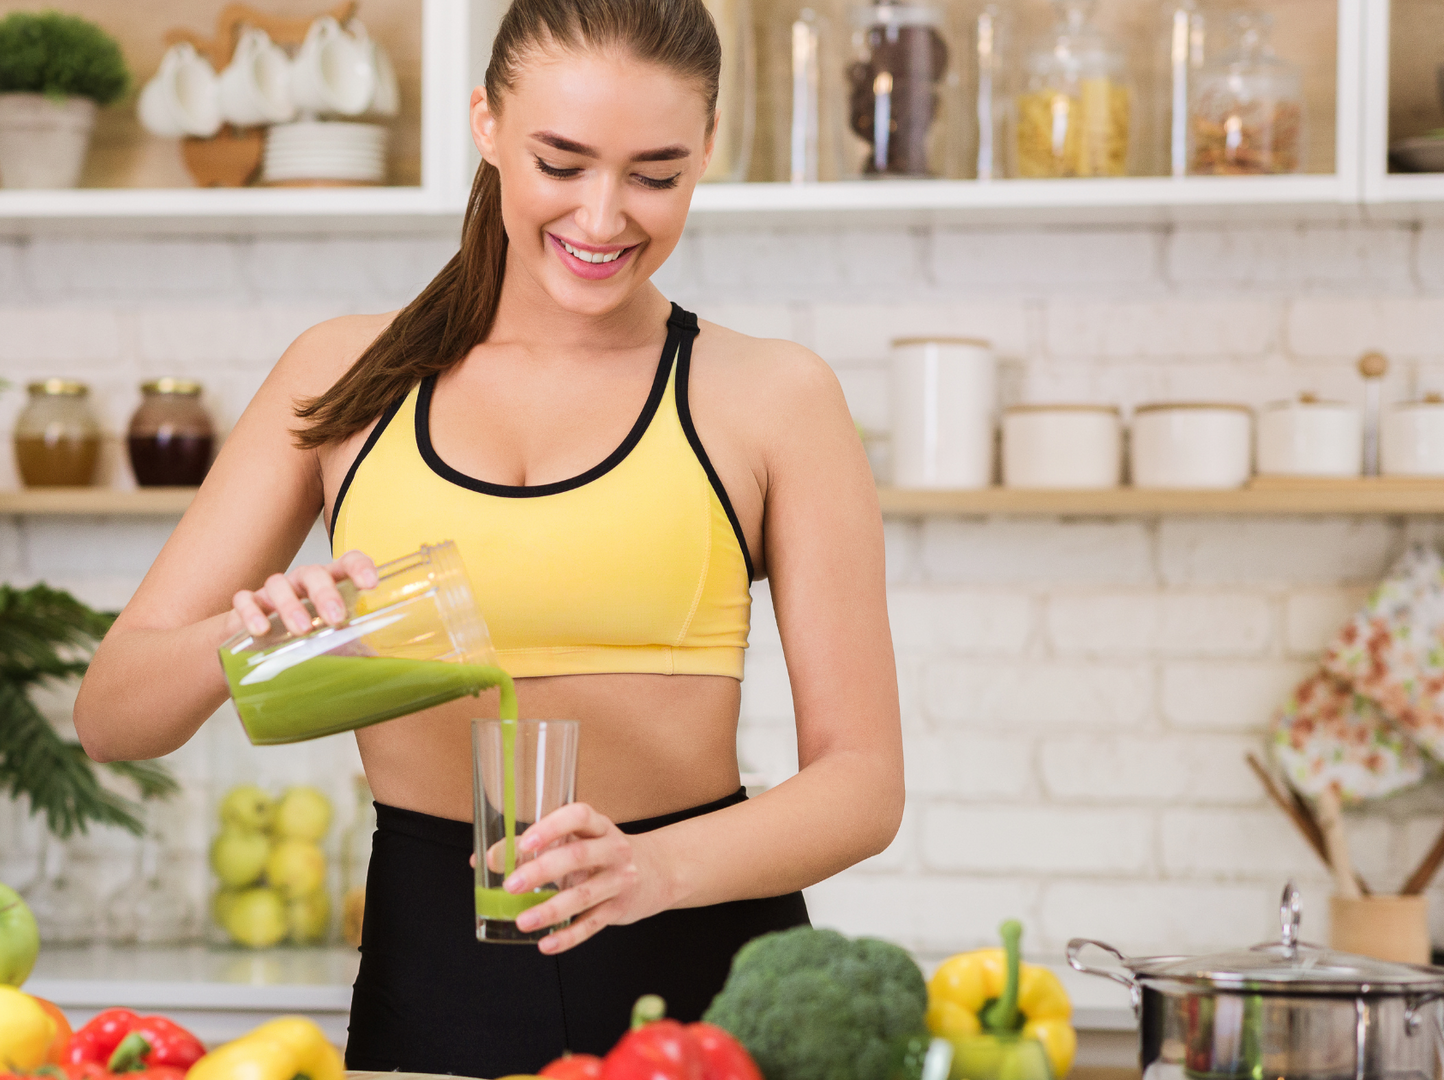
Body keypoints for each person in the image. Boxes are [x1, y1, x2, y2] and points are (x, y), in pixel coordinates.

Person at [73, 0, 903, 1072]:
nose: (604, 219)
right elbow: (112, 716)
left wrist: (651, 873)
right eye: (562, 162)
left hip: (696, 970)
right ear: (487, 126)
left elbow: (863, 782)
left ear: (707, 153)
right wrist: (242, 638)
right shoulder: (342, 379)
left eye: (655, 175)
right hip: (433, 972)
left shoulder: (772, 398)